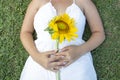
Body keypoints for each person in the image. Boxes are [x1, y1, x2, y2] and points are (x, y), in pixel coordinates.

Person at [20, 0, 105, 80]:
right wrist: (37, 57)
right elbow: (25, 32)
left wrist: (79, 50)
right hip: (40, 64)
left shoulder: (84, 2)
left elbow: (99, 34)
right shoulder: (37, 2)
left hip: (77, 64)